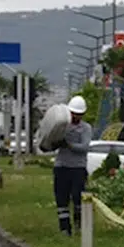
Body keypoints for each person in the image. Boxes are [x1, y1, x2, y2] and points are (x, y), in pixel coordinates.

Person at [53, 96, 91, 235]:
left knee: (77, 197)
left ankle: (79, 224)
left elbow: (84, 147)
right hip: (61, 167)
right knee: (61, 199)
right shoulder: (62, 126)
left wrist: (69, 145)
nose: (76, 116)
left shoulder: (86, 128)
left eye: (79, 114)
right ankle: (64, 228)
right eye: (73, 113)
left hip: (77, 168)